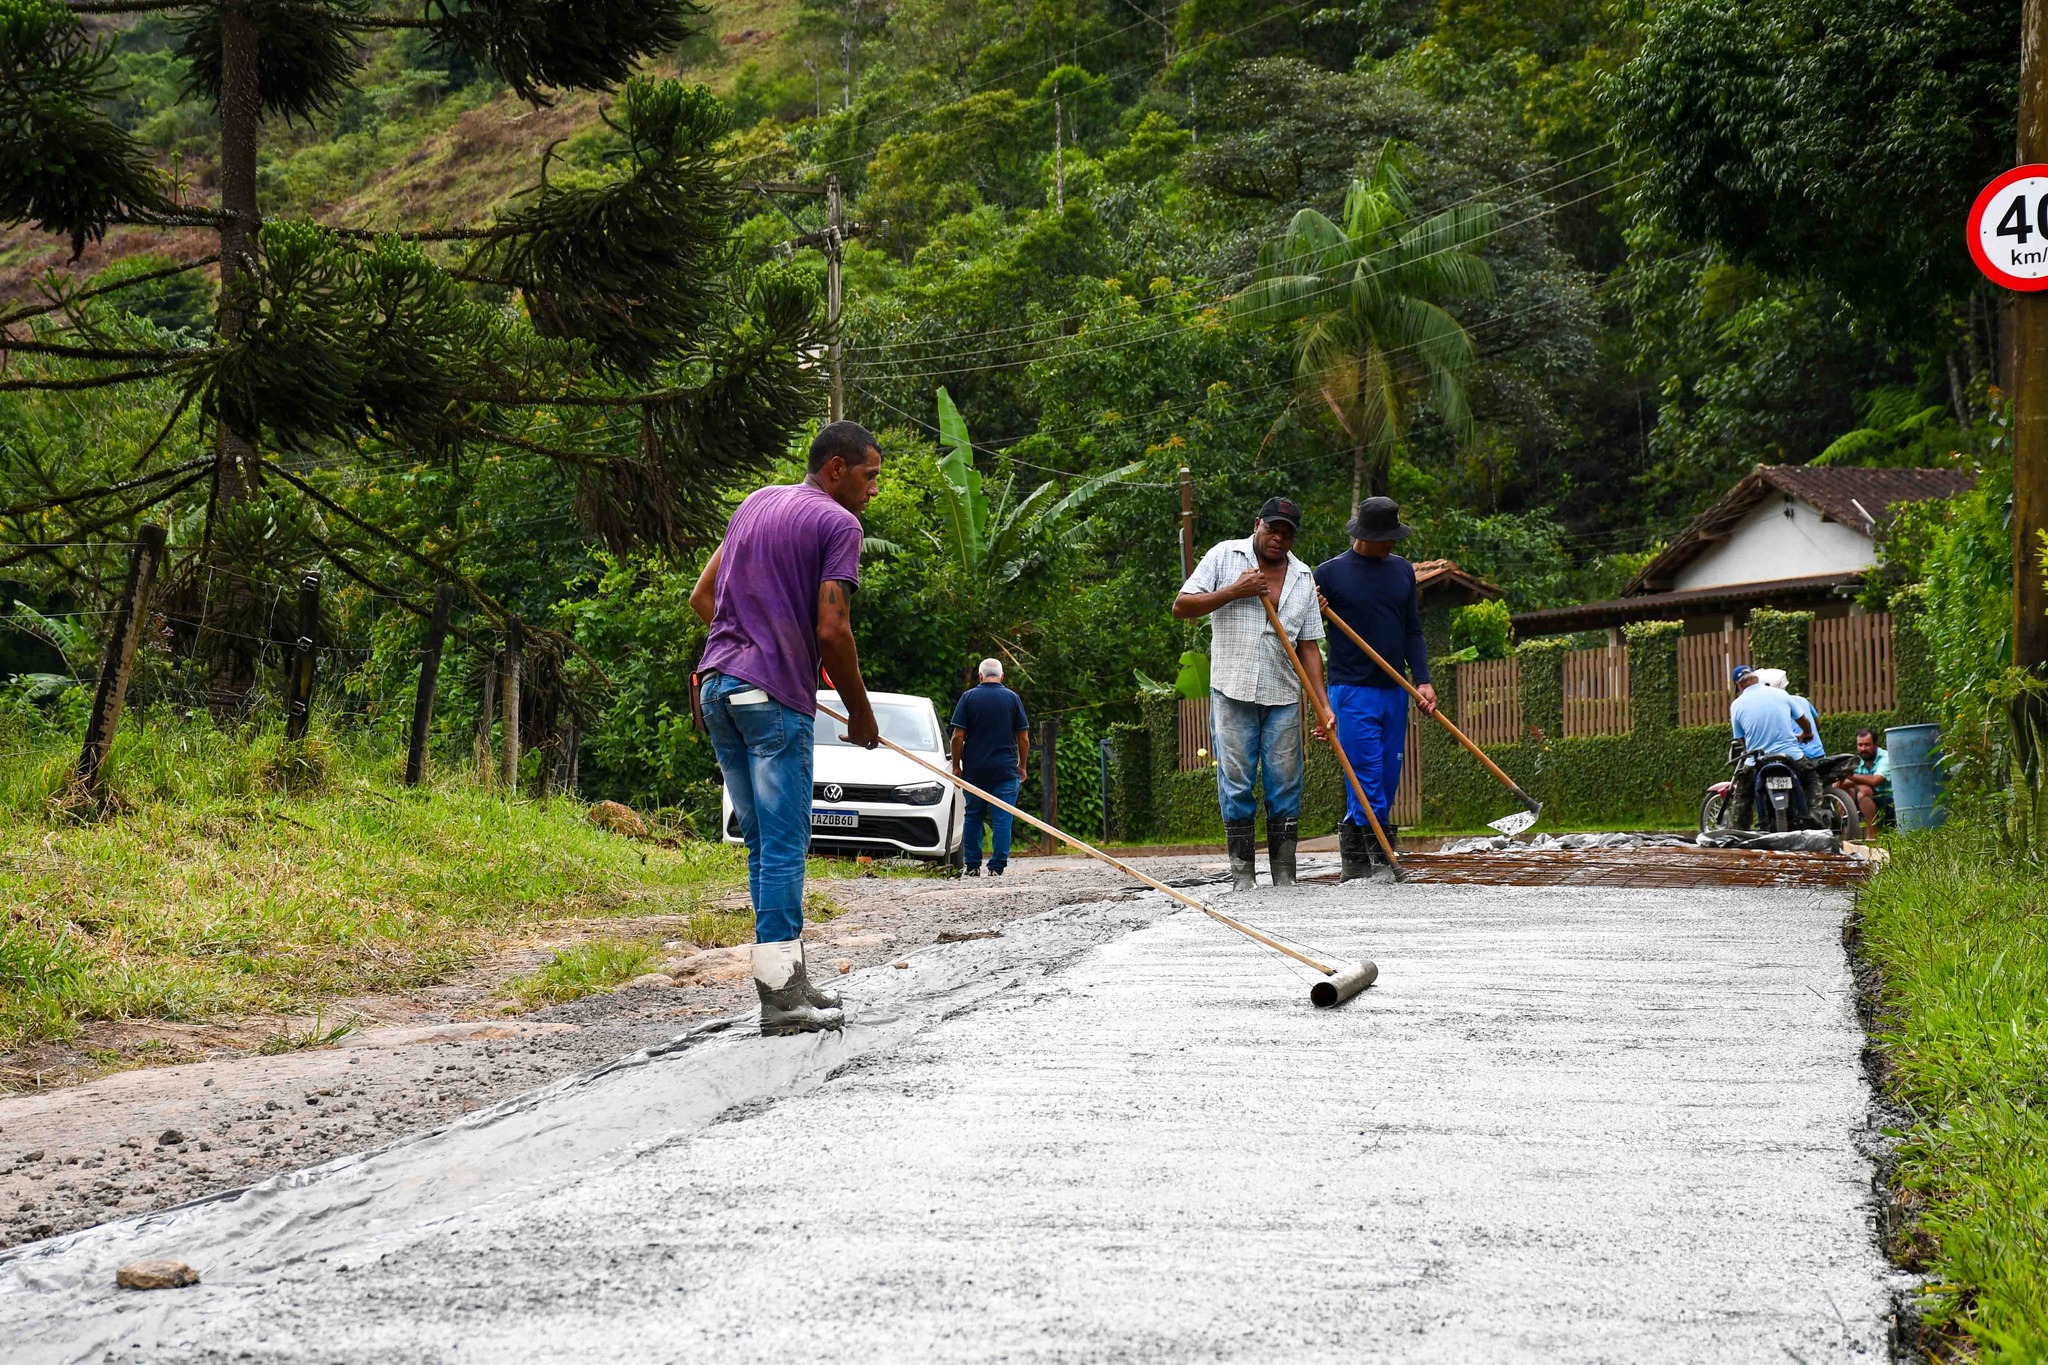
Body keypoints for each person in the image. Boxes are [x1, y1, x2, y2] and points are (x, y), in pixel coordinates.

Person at [690, 421, 884, 1036]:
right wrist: (859, 711)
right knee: (783, 845)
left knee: (762, 844)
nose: (873, 489)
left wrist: (760, 641)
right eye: (869, 475)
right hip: (770, 700)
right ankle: (780, 999)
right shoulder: (838, 524)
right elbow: (833, 630)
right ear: (835, 469)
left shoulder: (755, 503)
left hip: (718, 685)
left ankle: (788, 981)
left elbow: (704, 597)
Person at [1172, 496, 1326, 890]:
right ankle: (1242, 875)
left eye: (1287, 533)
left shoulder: (1303, 577)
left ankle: (1285, 876)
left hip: (1283, 694)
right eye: (1272, 529)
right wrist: (1235, 591)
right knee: (1236, 782)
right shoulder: (1225, 556)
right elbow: (1182, 606)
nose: (1278, 538)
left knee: (1285, 783)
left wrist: (1323, 705)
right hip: (1232, 689)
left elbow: (1309, 645)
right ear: (1257, 524)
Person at [1314, 496, 1437, 882]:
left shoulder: (1401, 571)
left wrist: (1423, 679)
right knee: (1365, 775)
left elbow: (1412, 630)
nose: (1392, 545)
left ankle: (1358, 864)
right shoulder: (1329, 574)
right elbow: (1301, 631)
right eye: (1386, 537)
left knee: (1386, 776)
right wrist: (1313, 610)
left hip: (1395, 688)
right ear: (1365, 535)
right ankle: (1384, 861)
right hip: (1351, 690)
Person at [949, 658, 1030, 877]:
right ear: (1002, 676)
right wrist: (1022, 765)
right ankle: (996, 867)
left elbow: (957, 737)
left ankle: (973, 865)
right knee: (1003, 817)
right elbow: (1023, 737)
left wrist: (956, 766)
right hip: (1005, 771)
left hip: (975, 771)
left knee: (973, 816)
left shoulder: (968, 698)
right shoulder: (1012, 698)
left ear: (980, 676)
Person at [1726, 666, 1820, 829]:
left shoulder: (1736, 705)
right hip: (1790, 757)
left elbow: (1742, 740)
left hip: (1757, 760)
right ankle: (1814, 817)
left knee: (1743, 795)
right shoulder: (1781, 694)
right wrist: (1808, 733)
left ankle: (1736, 832)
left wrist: (1750, 749)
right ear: (1756, 678)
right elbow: (1803, 720)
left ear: (1738, 685)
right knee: (1812, 779)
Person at [1757, 667, 1829, 818]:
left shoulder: (1774, 707)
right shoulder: (1802, 700)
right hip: (1818, 753)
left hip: (1794, 756)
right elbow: (1817, 725)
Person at [1836, 727, 1892, 829]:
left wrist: (1848, 775)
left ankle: (1871, 836)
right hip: (1867, 801)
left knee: (1863, 794)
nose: (1863, 749)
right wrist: (1857, 785)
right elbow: (1837, 784)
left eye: (1867, 745)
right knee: (1846, 791)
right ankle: (1845, 832)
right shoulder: (1857, 760)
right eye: (1860, 745)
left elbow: (1875, 781)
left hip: (1888, 802)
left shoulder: (1885, 758)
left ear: (1876, 745)